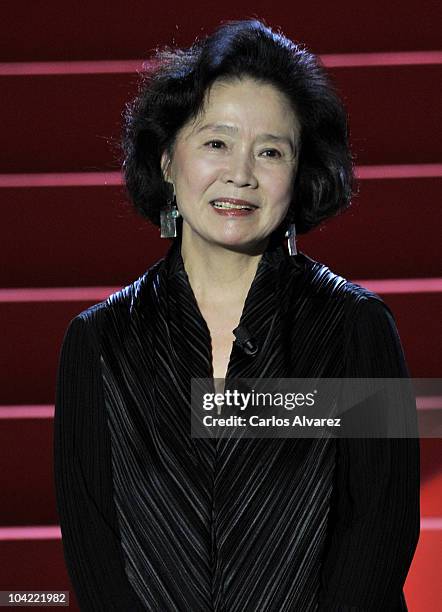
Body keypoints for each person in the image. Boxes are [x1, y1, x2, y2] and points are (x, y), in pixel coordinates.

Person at [54, 18, 420, 611]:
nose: (241, 174)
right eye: (217, 143)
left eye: (270, 151)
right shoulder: (99, 343)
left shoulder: (356, 328)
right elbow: (94, 552)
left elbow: (381, 532)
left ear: (299, 176)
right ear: (169, 160)